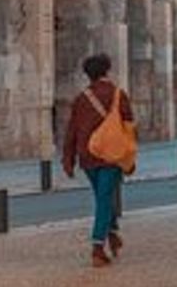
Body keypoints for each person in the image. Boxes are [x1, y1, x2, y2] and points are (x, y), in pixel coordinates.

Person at [62, 53, 134, 267]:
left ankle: (113, 234)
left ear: (87, 74)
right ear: (107, 70)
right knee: (104, 199)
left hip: (88, 156)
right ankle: (97, 247)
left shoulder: (81, 99)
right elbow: (129, 128)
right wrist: (130, 157)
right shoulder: (119, 95)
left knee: (103, 197)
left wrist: (68, 158)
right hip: (111, 155)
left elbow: (72, 130)